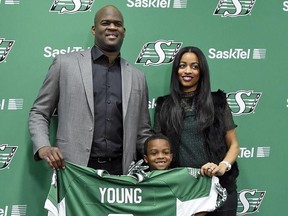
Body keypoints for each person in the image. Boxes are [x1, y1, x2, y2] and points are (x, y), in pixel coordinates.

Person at [28, 5, 152, 175]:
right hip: (73, 169)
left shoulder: (138, 76)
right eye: (105, 23)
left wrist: (157, 155)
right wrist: (43, 146)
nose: (112, 27)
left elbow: (142, 130)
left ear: (124, 31)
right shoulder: (64, 65)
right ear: (94, 29)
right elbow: (39, 112)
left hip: (121, 174)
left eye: (117, 24)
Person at [154, 46, 240, 216]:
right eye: (182, 65)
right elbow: (159, 148)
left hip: (220, 187)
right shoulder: (164, 105)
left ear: (202, 71)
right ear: (176, 70)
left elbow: (234, 145)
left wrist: (223, 166)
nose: (188, 71)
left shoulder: (218, 102)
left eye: (194, 66)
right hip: (183, 191)